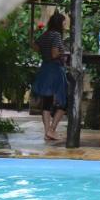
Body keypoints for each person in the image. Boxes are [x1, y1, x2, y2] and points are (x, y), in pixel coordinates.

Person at [31, 12, 68, 141]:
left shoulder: (45, 34)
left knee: (47, 102)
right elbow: (54, 54)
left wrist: (44, 52)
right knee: (63, 102)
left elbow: (35, 46)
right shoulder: (57, 35)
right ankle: (52, 129)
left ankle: (47, 131)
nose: (65, 25)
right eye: (63, 22)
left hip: (45, 69)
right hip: (55, 70)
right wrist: (63, 54)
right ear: (59, 23)